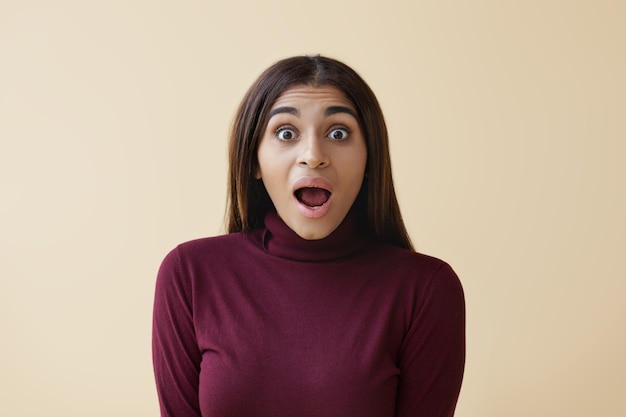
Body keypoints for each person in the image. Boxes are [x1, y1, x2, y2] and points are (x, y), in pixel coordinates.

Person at [152, 55, 465, 417]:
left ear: (369, 159)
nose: (313, 156)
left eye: (338, 133)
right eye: (286, 133)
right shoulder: (189, 275)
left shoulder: (426, 289)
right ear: (254, 160)